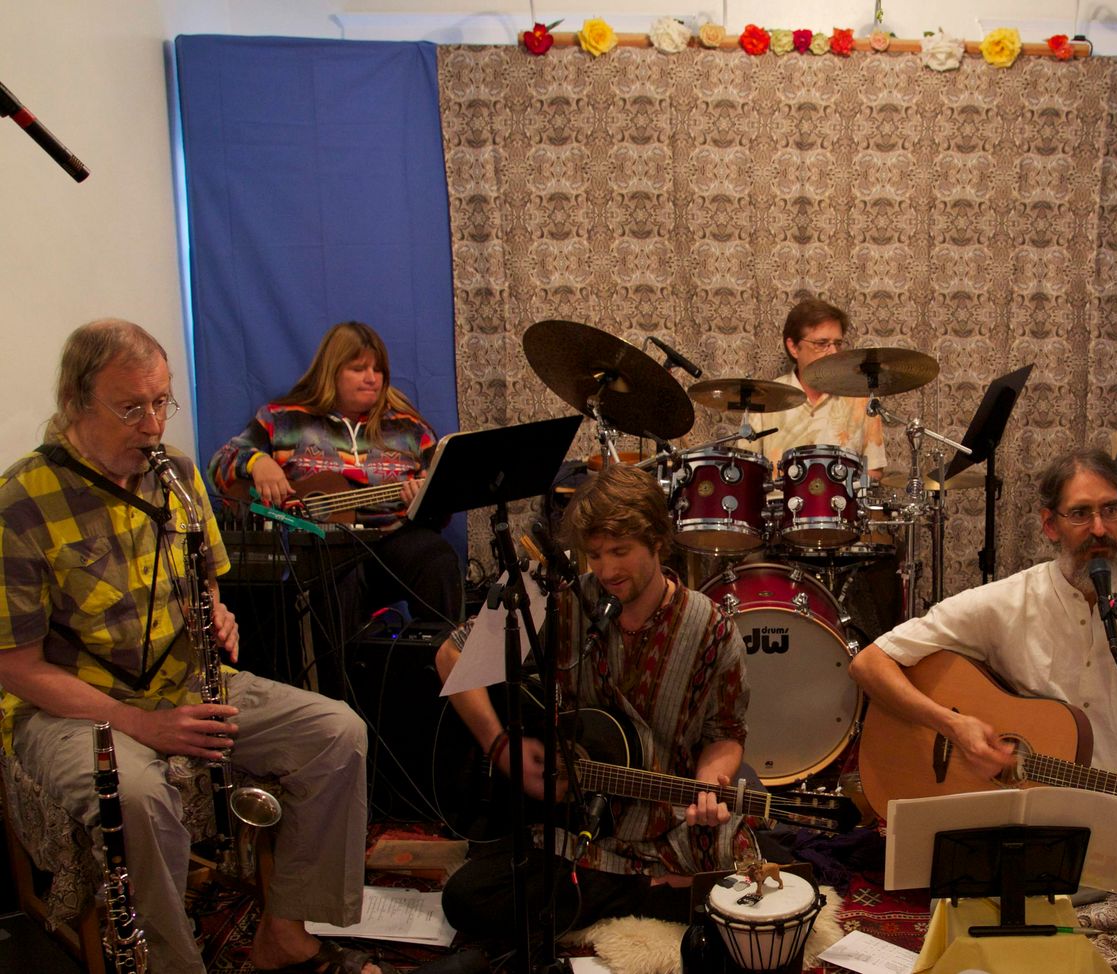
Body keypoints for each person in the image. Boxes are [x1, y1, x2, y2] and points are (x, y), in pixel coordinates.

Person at [0, 319, 385, 974]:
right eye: (131, 408)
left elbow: (205, 577)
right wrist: (141, 725)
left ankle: (286, 934)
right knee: (137, 797)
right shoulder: (20, 504)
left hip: (179, 681)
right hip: (71, 708)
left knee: (336, 732)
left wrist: (217, 612)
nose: (153, 425)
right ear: (74, 402)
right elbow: (16, 668)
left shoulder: (174, 471)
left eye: (162, 402)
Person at [848, 447, 1117, 916]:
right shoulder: (1007, 602)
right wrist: (954, 726)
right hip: (1031, 831)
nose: (1099, 529)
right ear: (1050, 525)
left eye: (1111, 510)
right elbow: (870, 664)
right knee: (984, 895)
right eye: (1080, 514)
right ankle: (1086, 883)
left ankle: (1084, 882)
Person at [437, 463, 754, 943]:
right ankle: (652, 894)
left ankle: (629, 891)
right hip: (576, 827)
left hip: (668, 827)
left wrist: (711, 782)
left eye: (620, 552)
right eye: (595, 555)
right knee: (465, 898)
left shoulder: (712, 628)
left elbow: (725, 733)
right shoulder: (562, 601)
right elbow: (451, 656)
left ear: (657, 541)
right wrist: (501, 746)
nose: (605, 571)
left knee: (756, 889)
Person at [208, 320, 463, 649]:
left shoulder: (410, 428)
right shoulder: (282, 419)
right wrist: (257, 462)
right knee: (337, 575)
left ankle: (443, 663)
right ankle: (342, 679)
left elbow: (440, 505)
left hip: (391, 539)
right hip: (321, 546)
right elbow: (219, 464)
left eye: (378, 370)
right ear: (331, 371)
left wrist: (425, 500)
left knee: (436, 558)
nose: (371, 378)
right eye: (358, 369)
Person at [759, 298, 887, 481]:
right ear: (793, 347)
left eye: (838, 343)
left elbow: (874, 470)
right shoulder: (764, 398)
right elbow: (745, 472)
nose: (833, 352)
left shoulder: (862, 399)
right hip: (780, 500)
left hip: (841, 500)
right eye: (821, 344)